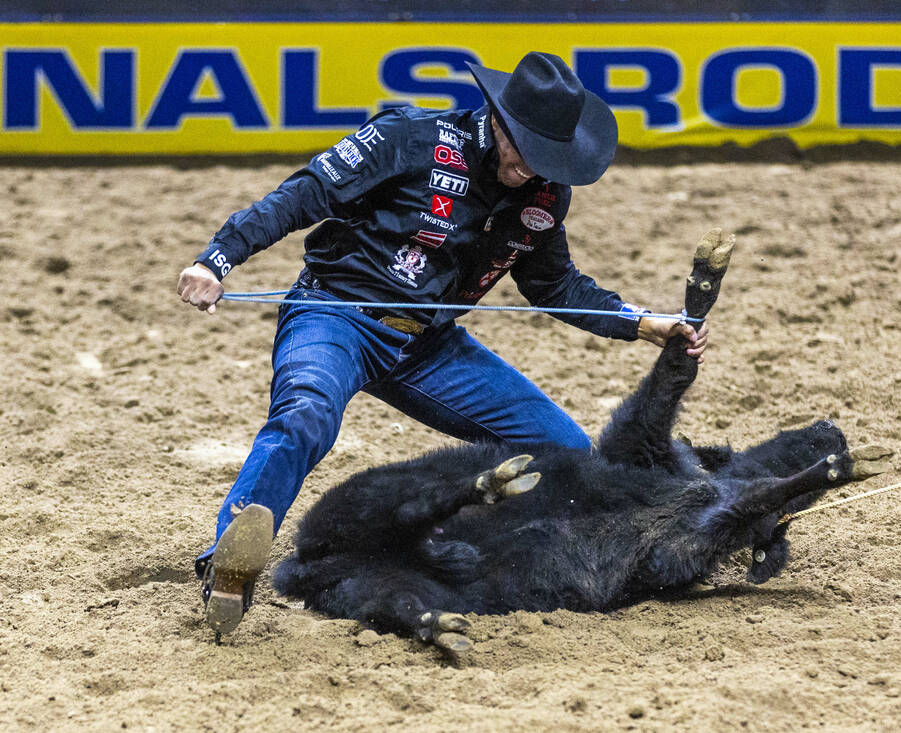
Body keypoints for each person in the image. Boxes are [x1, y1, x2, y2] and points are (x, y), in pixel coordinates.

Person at [176, 52, 709, 636]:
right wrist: (218, 258)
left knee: (561, 449)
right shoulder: (410, 137)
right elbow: (302, 196)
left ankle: (484, 560)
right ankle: (230, 564)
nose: (533, 171)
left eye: (548, 161)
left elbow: (555, 283)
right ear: (499, 122)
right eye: (526, 152)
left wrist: (640, 323)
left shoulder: (545, 195)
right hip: (335, 317)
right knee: (306, 413)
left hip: (428, 346)